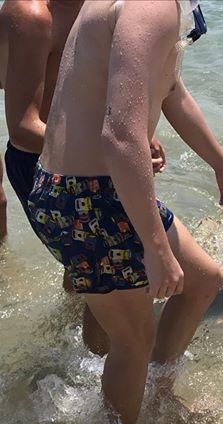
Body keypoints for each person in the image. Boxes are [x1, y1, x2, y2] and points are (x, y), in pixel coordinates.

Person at [28, 0, 223, 424]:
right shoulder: (151, 4)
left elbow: (171, 90)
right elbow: (121, 135)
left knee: (203, 280)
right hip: (89, 197)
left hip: (82, 192)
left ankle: (156, 393)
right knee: (132, 340)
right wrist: (155, 245)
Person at [0, 0, 167, 356]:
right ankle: (94, 365)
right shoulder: (30, 15)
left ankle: (74, 343)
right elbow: (22, 129)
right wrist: (116, 148)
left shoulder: (102, 7)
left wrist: (137, 135)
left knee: (89, 270)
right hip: (37, 160)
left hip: (79, 152)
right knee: (106, 272)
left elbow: (96, 91)